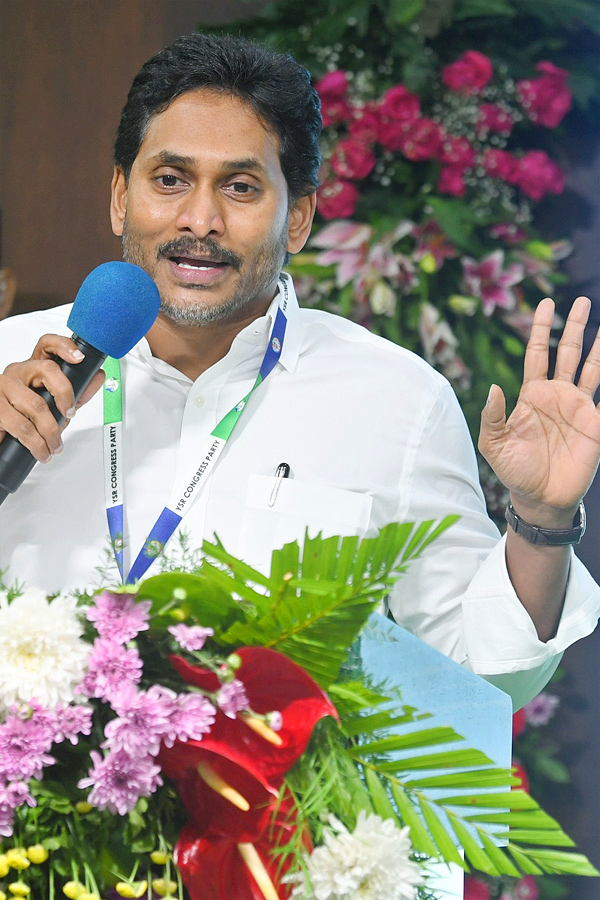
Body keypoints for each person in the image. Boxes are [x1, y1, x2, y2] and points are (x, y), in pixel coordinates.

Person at [0, 33, 599, 709]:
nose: (201, 219)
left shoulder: (396, 401)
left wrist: (542, 521)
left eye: (241, 187)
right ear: (119, 196)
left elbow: (484, 677)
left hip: (279, 811)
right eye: (170, 180)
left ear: (299, 218)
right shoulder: (9, 364)